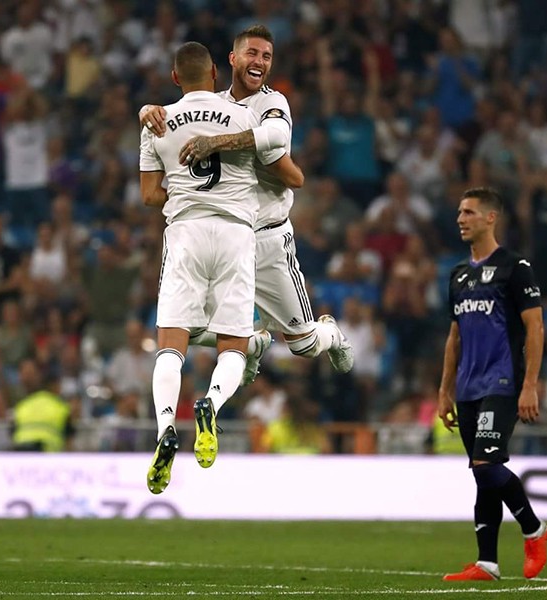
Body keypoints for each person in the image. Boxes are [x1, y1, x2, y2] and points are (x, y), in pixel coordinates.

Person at [140, 25, 354, 387]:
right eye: (252, 53)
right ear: (232, 59)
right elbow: (175, 119)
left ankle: (331, 334)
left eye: (266, 56)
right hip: (224, 234)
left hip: (267, 239)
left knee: (302, 344)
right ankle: (253, 343)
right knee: (184, 328)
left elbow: (277, 140)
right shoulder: (217, 105)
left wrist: (217, 142)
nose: (260, 62)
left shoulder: (272, 103)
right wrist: (147, 110)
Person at [139, 42, 304, 494]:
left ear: (175, 78)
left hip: (186, 232)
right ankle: (210, 404)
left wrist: (185, 192)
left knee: (171, 344)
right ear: (215, 73)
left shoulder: (157, 121)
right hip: (236, 234)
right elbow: (286, 168)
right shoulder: (246, 116)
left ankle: (165, 429)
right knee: (234, 344)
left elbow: (149, 195)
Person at [437, 187, 547, 582]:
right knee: (482, 473)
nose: (460, 219)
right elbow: (454, 336)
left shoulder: (515, 267)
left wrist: (530, 384)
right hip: (468, 386)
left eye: (469, 212)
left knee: (486, 466)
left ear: (491, 217)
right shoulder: (458, 274)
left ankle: (534, 529)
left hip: (502, 381)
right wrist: (444, 391)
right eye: (459, 212)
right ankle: (487, 562)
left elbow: (535, 327)